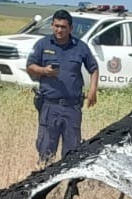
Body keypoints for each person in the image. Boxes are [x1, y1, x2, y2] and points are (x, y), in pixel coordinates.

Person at [25, 9, 97, 164]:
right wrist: (44, 71)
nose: (59, 30)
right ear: (52, 26)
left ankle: (69, 186)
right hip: (49, 105)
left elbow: (94, 68)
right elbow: (30, 66)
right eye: (56, 26)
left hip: (72, 107)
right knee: (46, 151)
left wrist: (92, 91)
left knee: (72, 154)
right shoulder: (42, 44)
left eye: (63, 27)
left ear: (70, 28)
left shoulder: (80, 47)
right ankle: (45, 184)